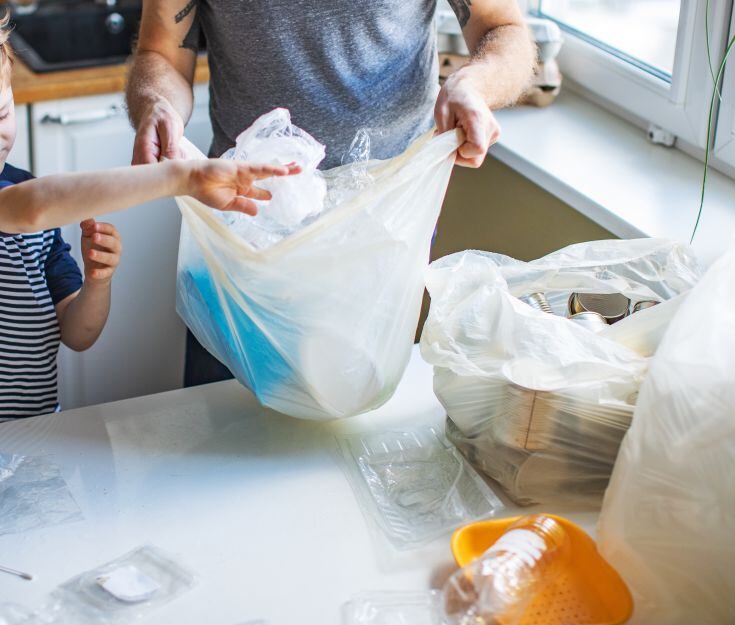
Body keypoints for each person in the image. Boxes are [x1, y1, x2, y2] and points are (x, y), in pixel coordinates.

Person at [0, 0, 298, 440]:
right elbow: (27, 208)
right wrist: (181, 176)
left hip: (34, 435)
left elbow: (78, 334)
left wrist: (98, 282)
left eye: (1, 115)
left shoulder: (33, 204)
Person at [126, 0, 537, 386]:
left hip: (384, 226)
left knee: (359, 424)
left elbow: (502, 27)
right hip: (245, 227)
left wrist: (474, 84)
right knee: (224, 422)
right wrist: (156, 105)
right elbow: (161, 53)